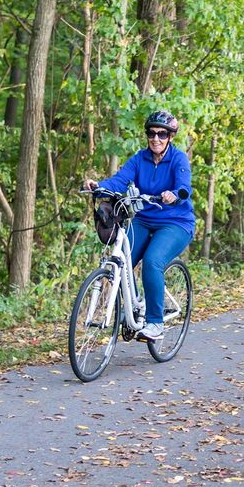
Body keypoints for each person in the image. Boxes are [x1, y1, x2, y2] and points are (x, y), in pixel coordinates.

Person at [83, 110, 194, 341]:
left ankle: (155, 322)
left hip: (175, 222)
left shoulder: (178, 159)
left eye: (162, 134)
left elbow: (185, 187)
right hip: (144, 218)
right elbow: (119, 180)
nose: (156, 138)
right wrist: (98, 185)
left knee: (153, 262)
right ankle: (134, 307)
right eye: (152, 133)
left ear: (170, 137)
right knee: (122, 261)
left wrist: (175, 195)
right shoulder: (139, 159)